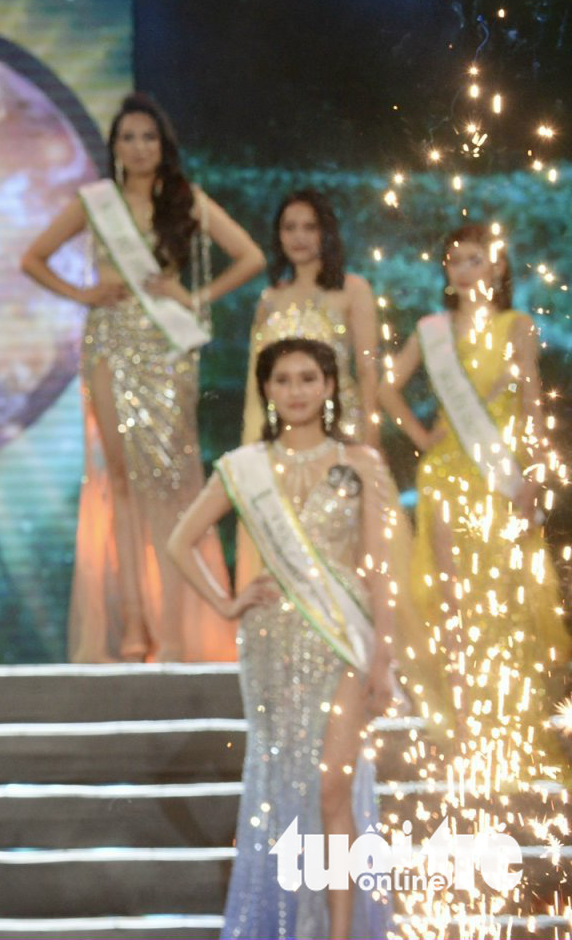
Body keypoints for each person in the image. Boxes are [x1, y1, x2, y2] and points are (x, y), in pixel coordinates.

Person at [166, 339, 412, 939]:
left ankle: (341, 931)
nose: (296, 391)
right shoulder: (244, 466)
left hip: (342, 638)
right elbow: (180, 541)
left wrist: (384, 655)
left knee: (333, 787)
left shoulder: (361, 463)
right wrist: (227, 603)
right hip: (272, 643)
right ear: (267, 390)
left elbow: (379, 568)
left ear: (330, 385)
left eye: (308, 378)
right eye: (283, 380)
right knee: (282, 788)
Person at [20, 93, 265, 662]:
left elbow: (250, 255)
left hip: (167, 349)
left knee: (175, 485)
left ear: (164, 145)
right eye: (127, 138)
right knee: (122, 485)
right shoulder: (95, 202)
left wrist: (195, 296)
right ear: (114, 148)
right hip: (109, 343)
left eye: (148, 137)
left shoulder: (186, 201)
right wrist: (81, 293)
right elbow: (32, 258)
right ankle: (134, 623)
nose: (138, 147)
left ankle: (179, 625)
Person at [378, 223, 569, 750]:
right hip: (446, 474)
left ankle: (511, 726)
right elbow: (385, 386)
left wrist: (532, 473)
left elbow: (532, 402)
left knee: (505, 594)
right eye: (455, 260)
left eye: (475, 259)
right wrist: (420, 434)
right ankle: (463, 729)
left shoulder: (518, 326)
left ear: (499, 266)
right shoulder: (431, 330)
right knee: (453, 596)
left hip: (500, 472)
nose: (463, 269)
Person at [233, 190, 378, 594]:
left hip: (339, 434)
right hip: (283, 443)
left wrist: (371, 436)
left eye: (310, 227)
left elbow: (367, 370)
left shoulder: (353, 290)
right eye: (289, 227)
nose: (299, 237)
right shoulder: (269, 300)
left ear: (326, 233)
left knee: (341, 541)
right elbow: (256, 387)